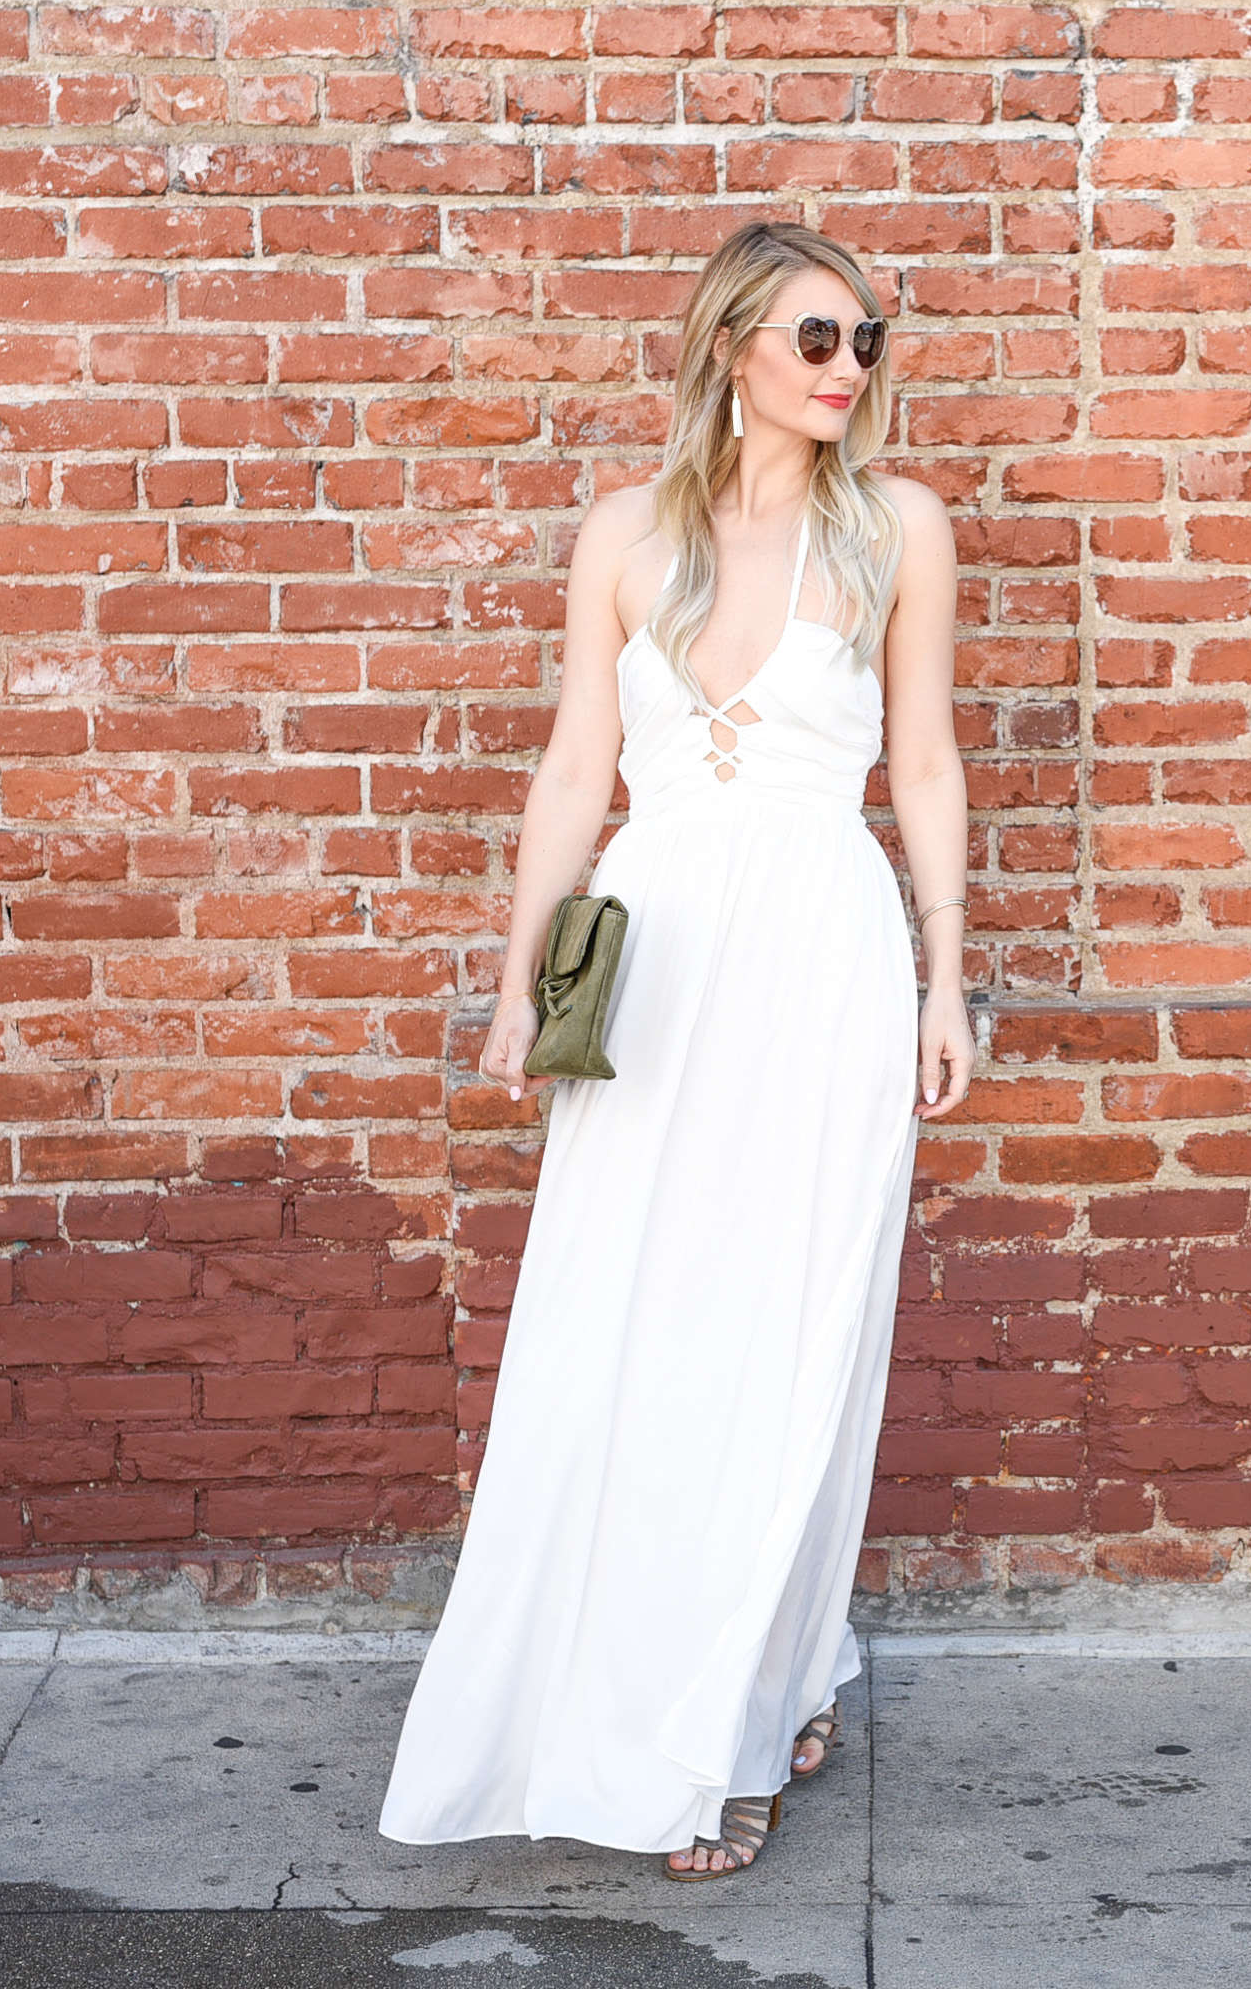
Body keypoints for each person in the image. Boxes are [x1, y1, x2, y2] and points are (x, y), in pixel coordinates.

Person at [379, 223, 974, 1880]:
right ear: (731, 346)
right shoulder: (626, 536)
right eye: (815, 338)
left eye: (865, 337)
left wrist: (945, 985)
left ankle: (746, 1706)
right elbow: (577, 770)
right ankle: (625, 1682)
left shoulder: (899, 531)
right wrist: (516, 983)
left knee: (793, 1330)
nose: (848, 367)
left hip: (822, 952)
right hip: (653, 963)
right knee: (626, 1325)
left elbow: (920, 767)